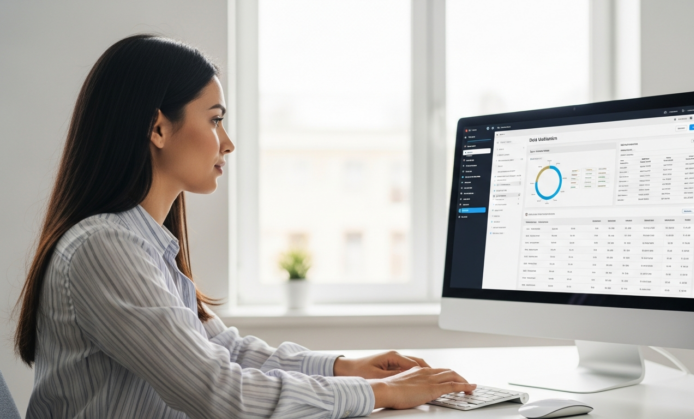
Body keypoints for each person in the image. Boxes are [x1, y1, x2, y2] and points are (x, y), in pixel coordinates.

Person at [14, 34, 475, 418]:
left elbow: (226, 351)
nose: (228, 143)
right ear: (158, 129)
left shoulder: (142, 245)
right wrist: (380, 393)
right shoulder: (104, 247)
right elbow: (220, 392)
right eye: (215, 120)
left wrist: (344, 367)